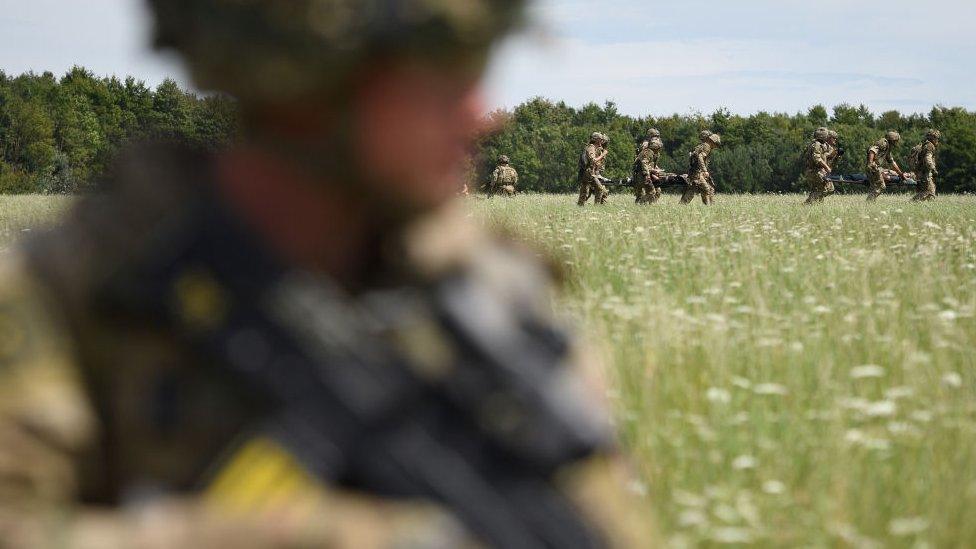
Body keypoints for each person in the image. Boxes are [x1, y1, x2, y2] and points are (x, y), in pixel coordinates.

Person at [0, 1, 651, 547]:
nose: (484, 112)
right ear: (306, 80)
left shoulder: (491, 299)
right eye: (444, 74)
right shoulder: (73, 293)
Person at [680, 132, 720, 205]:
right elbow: (700, 157)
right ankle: (708, 206)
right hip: (697, 172)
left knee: (699, 189)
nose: (716, 146)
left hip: (696, 172)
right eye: (716, 144)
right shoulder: (707, 146)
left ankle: (709, 206)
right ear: (712, 141)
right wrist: (705, 171)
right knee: (704, 189)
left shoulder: (702, 146)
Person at [866, 131, 906, 201]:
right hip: (873, 167)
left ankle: (870, 202)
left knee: (874, 187)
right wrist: (871, 162)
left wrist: (901, 174)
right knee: (881, 186)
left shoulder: (887, 148)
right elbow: (872, 150)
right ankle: (869, 201)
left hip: (875, 167)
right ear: (893, 140)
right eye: (896, 141)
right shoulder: (884, 143)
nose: (897, 143)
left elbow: (892, 163)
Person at [578, 132, 610, 206]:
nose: (602, 141)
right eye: (600, 139)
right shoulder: (591, 147)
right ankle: (596, 206)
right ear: (596, 140)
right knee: (597, 189)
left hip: (590, 172)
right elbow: (594, 160)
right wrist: (603, 154)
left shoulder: (594, 148)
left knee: (584, 192)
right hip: (588, 172)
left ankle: (581, 206)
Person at [803, 127, 833, 205]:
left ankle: (816, 205)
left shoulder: (821, 144)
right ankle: (807, 204)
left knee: (819, 190)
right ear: (823, 135)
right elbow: (817, 158)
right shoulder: (817, 145)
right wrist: (826, 167)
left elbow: (829, 151)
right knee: (824, 189)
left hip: (815, 171)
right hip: (814, 171)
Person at [910, 129, 941, 202]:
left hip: (920, 173)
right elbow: (928, 159)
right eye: (937, 138)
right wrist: (934, 169)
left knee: (924, 192)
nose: (937, 140)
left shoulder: (924, 145)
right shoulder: (930, 146)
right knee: (930, 192)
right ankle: (911, 203)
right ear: (933, 138)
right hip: (924, 173)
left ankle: (914, 205)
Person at [633, 136, 663, 204]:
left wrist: (654, 170)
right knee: (652, 192)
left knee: (657, 191)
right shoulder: (648, 152)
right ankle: (640, 204)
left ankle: (650, 205)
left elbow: (650, 165)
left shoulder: (654, 153)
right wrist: (647, 175)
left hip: (647, 174)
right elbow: (644, 163)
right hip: (642, 175)